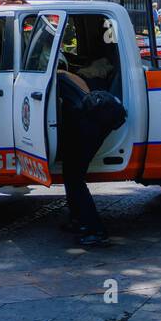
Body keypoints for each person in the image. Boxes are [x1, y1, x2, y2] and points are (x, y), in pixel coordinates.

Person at [55, 68, 124, 248]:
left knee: (75, 178)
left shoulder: (55, 77)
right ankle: (79, 220)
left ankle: (96, 231)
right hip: (90, 121)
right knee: (70, 175)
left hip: (89, 125)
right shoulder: (65, 76)